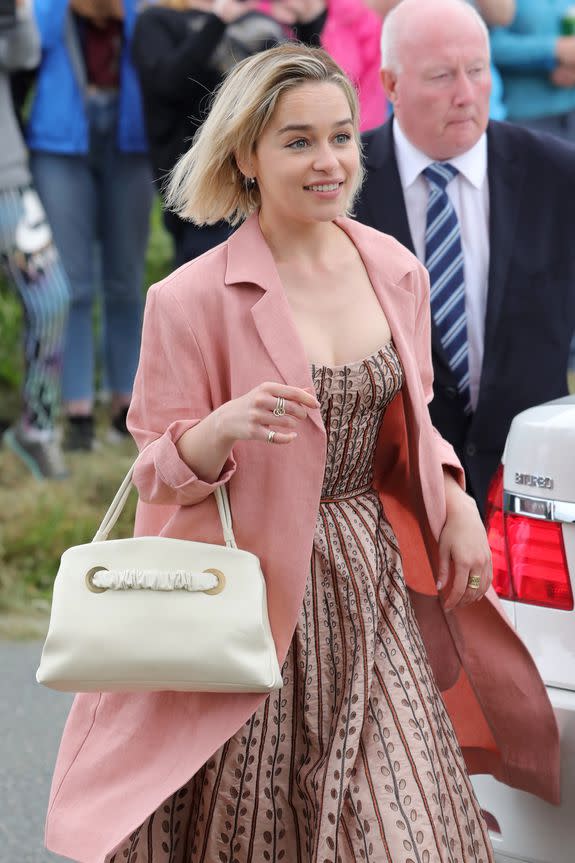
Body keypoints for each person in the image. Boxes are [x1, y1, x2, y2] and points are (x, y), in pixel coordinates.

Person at [43, 43, 559, 863]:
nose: (329, 162)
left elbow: (415, 427)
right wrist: (215, 432)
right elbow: (152, 467)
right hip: (250, 597)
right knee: (258, 830)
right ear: (246, 154)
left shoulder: (394, 268)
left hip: (374, 583)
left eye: (342, 137)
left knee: (407, 830)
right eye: (298, 141)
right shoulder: (187, 298)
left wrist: (455, 501)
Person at [355, 0, 575, 515]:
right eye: (440, 76)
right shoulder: (346, 188)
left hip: (529, 488)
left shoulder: (557, 176)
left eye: (477, 71)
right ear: (391, 86)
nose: (465, 94)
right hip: (393, 492)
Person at [27, 0, 154, 452]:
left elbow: (161, 52)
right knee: (74, 284)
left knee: (125, 281)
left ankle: (128, 407)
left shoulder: (141, 8)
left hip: (130, 142)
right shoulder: (50, 8)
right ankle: (76, 410)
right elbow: (26, 47)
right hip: (60, 144)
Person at [132, 0, 326, 266]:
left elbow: (299, 85)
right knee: (212, 286)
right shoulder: (158, 20)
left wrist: (308, 25)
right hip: (206, 186)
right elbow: (167, 84)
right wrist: (218, 20)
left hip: (266, 181)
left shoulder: (258, 21)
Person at [0, 0, 70, 479]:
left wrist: (16, 9)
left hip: (8, 181)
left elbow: (22, 55)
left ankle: (36, 428)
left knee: (52, 300)